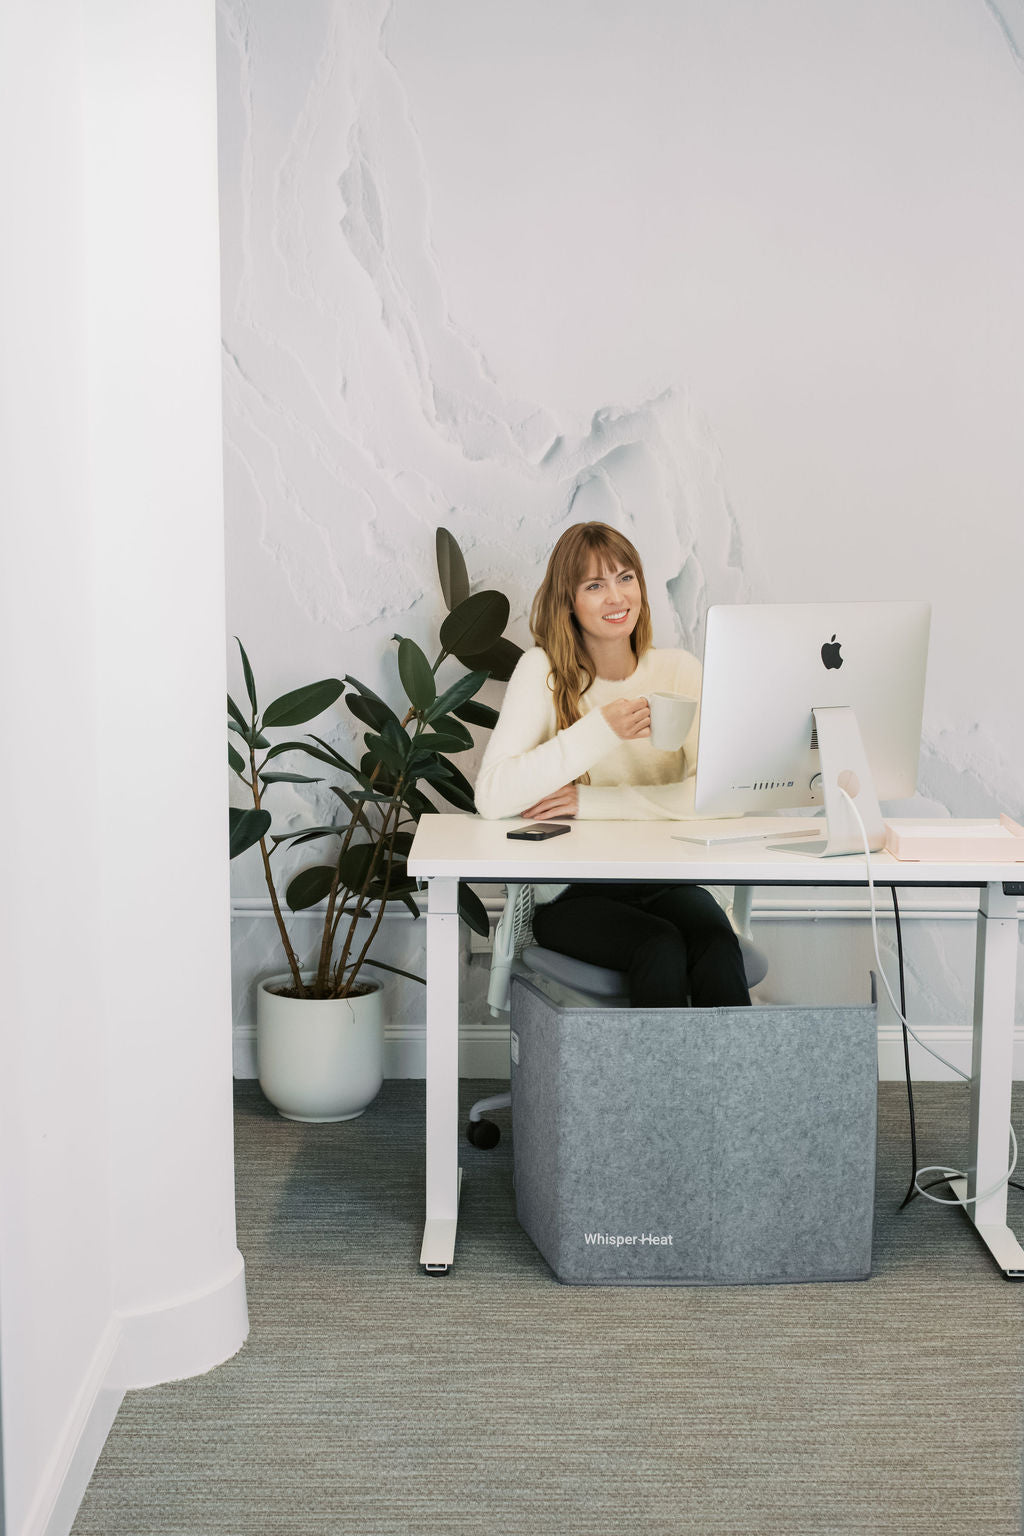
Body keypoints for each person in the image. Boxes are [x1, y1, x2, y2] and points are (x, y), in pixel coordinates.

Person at [474, 521, 750, 1008]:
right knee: (659, 947)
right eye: (594, 585)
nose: (616, 596)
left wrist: (591, 802)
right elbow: (493, 796)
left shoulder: (678, 671)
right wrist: (600, 729)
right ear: (569, 602)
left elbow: (718, 794)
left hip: (668, 879)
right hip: (572, 894)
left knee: (716, 947)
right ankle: (651, 1088)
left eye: (626, 578)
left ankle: (729, 1087)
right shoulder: (544, 672)